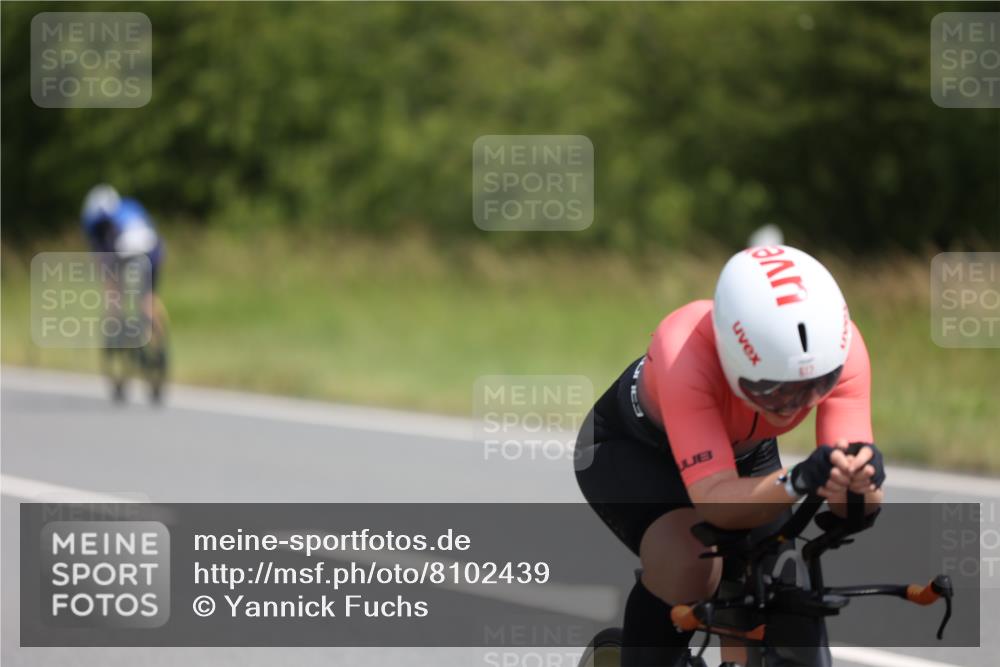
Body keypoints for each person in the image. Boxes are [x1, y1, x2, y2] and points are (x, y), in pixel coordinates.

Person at [574, 245, 886, 667]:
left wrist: (861, 485)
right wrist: (797, 479)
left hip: (743, 456)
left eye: (814, 387)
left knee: (786, 584)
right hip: (633, 452)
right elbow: (717, 504)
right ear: (731, 355)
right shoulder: (685, 351)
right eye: (772, 389)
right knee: (691, 564)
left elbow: (854, 507)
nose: (792, 406)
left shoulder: (841, 350)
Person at [80, 184, 166, 348]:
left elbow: (103, 253)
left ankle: (118, 327)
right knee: (149, 297)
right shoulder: (130, 206)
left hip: (126, 252)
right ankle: (159, 345)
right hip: (154, 250)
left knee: (114, 288)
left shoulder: (101, 220)